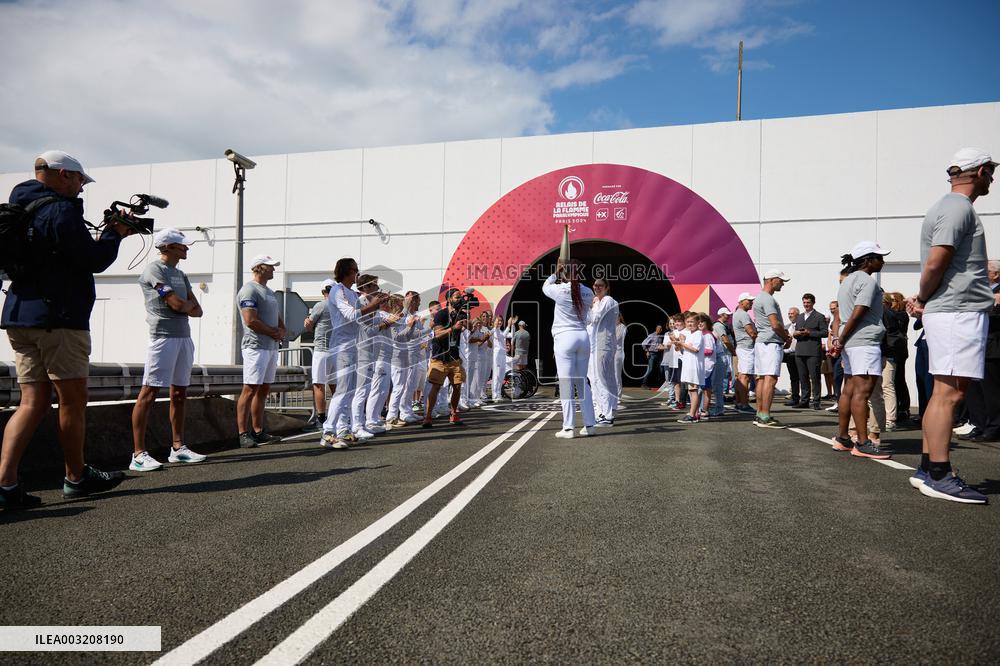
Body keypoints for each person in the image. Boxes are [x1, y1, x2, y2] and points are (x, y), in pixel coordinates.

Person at [0, 150, 132, 508]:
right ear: (63, 175)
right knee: (72, 401)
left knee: (31, 402)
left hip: (20, 315)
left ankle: (6, 484)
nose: (81, 187)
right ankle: (76, 477)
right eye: (79, 180)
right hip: (59, 319)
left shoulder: (18, 207)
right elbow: (92, 259)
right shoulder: (61, 209)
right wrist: (115, 234)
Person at [907, 148, 996, 504]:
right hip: (958, 311)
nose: (993, 179)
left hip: (952, 310)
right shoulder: (958, 208)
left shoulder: (947, 207)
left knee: (942, 393)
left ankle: (929, 468)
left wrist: (926, 299)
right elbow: (936, 262)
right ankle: (940, 475)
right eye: (991, 172)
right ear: (981, 171)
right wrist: (923, 297)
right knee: (951, 394)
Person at [129, 228, 207, 472]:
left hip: (184, 337)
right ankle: (138, 454)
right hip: (162, 337)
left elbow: (197, 310)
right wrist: (185, 306)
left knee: (179, 392)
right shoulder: (155, 270)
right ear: (168, 247)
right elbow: (175, 304)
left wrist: (184, 305)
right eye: (182, 245)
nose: (186, 248)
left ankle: (178, 448)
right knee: (149, 392)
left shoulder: (180, 274)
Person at [830, 241, 893, 459]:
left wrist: (840, 339)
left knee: (849, 390)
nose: (882, 261)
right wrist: (841, 339)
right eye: (879, 257)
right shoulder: (867, 281)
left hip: (851, 343)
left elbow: (840, 315)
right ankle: (863, 443)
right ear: (867, 260)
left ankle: (843, 438)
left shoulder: (847, 281)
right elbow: (859, 311)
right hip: (864, 341)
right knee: (862, 392)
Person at [320, 258, 387, 448]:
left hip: (353, 345)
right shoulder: (338, 290)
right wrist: (373, 305)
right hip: (342, 346)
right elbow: (350, 315)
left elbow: (363, 318)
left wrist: (376, 304)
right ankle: (328, 432)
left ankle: (343, 430)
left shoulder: (351, 293)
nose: (358, 274)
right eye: (355, 270)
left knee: (349, 391)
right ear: (347, 271)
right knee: (342, 390)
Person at [543, 260, 597, 438]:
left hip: (565, 337)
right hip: (582, 337)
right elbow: (589, 315)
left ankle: (568, 428)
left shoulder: (559, 290)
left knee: (566, 383)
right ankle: (590, 425)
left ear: (565, 274)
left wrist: (555, 272)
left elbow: (545, 287)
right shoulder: (588, 292)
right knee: (582, 383)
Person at [235, 255, 285, 448]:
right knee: (250, 389)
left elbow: (277, 317)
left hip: (270, 346)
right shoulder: (249, 289)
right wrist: (274, 332)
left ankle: (258, 431)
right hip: (255, 346)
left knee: (263, 390)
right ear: (259, 267)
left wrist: (281, 329)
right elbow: (250, 320)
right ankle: (242, 433)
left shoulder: (269, 292)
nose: (273, 269)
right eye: (270, 266)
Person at [961, 260, 1000, 442]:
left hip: (993, 347)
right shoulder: (983, 292)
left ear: (996, 275)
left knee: (991, 391)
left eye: (986, 271)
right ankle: (979, 424)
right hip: (977, 347)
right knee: (975, 390)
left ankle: (994, 428)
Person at [423, 288, 469, 427]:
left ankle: (454, 414)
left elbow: (469, 329)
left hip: (454, 357)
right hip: (440, 357)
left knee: (457, 386)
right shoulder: (441, 314)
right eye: (456, 297)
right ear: (449, 299)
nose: (459, 300)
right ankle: (428, 417)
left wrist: (468, 324)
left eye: (460, 297)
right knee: (436, 386)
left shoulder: (461, 314)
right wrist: (453, 328)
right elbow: (437, 334)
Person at [752, 273, 792, 428]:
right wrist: (786, 337)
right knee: (770, 378)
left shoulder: (759, 298)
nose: (783, 283)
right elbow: (775, 324)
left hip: (762, 342)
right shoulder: (768, 299)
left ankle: (760, 413)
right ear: (771, 280)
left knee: (762, 378)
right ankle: (764, 416)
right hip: (770, 342)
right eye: (781, 280)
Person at [303, 279, 336, 430]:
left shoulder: (321, 305)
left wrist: (307, 322)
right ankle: (338, 417)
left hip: (323, 349)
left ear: (323, 291)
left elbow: (309, 326)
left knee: (319, 385)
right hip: (337, 350)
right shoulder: (341, 306)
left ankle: (321, 419)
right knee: (335, 386)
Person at [588, 278, 620, 426]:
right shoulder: (600, 302)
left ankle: (606, 414)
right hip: (596, 345)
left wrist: (588, 306)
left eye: (600, 285)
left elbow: (595, 318)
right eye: (595, 285)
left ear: (607, 287)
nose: (597, 287)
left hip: (602, 344)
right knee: (601, 378)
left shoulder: (607, 300)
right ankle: (607, 409)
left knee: (600, 379)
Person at [792, 293, 828, 410]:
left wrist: (809, 333)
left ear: (813, 303)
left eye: (808, 302)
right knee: (803, 377)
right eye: (804, 302)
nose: (806, 304)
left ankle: (816, 401)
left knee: (815, 377)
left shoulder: (819, 316)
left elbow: (825, 333)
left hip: (813, 351)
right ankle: (804, 400)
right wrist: (796, 333)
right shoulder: (799, 317)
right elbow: (796, 333)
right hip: (800, 350)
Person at [673, 313, 706, 424]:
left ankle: (692, 415)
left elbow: (695, 349)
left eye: (692, 321)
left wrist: (682, 343)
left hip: (694, 366)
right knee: (691, 391)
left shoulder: (698, 334)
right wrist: (678, 344)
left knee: (693, 390)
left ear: (698, 323)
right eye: (688, 322)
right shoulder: (689, 334)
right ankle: (695, 413)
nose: (689, 324)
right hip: (688, 365)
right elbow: (680, 349)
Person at [731, 293, 757, 415]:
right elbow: (751, 332)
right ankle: (744, 404)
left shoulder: (737, 314)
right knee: (745, 376)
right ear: (741, 302)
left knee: (741, 376)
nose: (751, 302)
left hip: (742, 347)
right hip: (747, 348)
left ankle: (739, 402)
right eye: (749, 300)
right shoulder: (743, 314)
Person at [710, 308, 735, 417]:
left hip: (722, 356)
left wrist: (732, 352)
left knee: (718, 383)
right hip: (722, 355)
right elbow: (725, 340)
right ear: (721, 315)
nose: (728, 316)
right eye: (726, 314)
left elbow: (726, 340)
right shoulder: (719, 326)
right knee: (717, 383)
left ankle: (718, 408)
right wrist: (733, 351)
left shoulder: (722, 326)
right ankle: (717, 407)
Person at [782, 307, 801, 406]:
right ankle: (795, 398)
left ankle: (806, 398)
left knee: (803, 377)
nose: (790, 315)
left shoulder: (801, 325)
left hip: (799, 354)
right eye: (789, 314)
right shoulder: (787, 327)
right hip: (789, 355)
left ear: (797, 314)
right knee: (793, 377)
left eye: (792, 313)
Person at [615, 313, 627, 406]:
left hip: (618, 353)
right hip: (610, 353)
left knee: (616, 375)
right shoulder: (611, 326)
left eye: (616, 316)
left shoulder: (622, 327)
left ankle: (618, 396)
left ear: (619, 317)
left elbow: (617, 338)